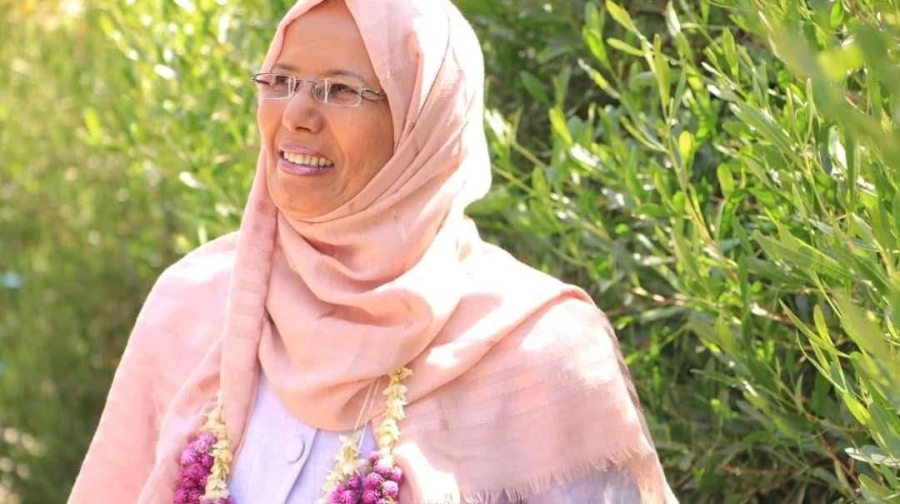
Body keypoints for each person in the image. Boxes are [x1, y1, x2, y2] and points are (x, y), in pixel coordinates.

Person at [69, 0, 677, 502]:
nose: (296, 115)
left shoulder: (541, 347)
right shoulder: (193, 302)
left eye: (339, 89)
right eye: (281, 82)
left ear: (423, 123)